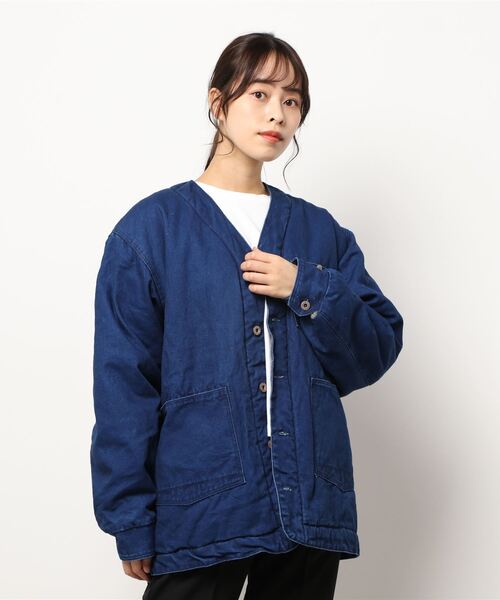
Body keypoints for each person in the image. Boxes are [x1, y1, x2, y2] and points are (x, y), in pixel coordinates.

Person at [90, 32, 404, 600]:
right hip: (203, 505)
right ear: (218, 102)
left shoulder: (321, 232)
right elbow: (123, 384)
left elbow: (375, 350)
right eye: (260, 94)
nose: (277, 114)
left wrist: (305, 287)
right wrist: (129, 516)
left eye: (292, 100)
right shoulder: (150, 231)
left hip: (309, 505)